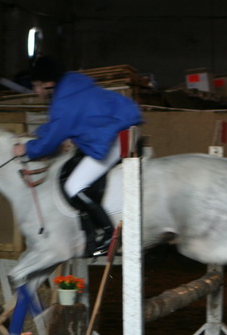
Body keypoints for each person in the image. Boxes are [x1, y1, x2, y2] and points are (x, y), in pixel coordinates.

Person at [12, 56, 143, 256]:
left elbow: (53, 138)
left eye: (36, 85)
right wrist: (36, 133)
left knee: (74, 186)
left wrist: (28, 149)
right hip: (121, 126)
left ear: (49, 83)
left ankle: (110, 234)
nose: (35, 91)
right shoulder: (71, 87)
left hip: (116, 137)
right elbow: (58, 125)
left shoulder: (65, 101)